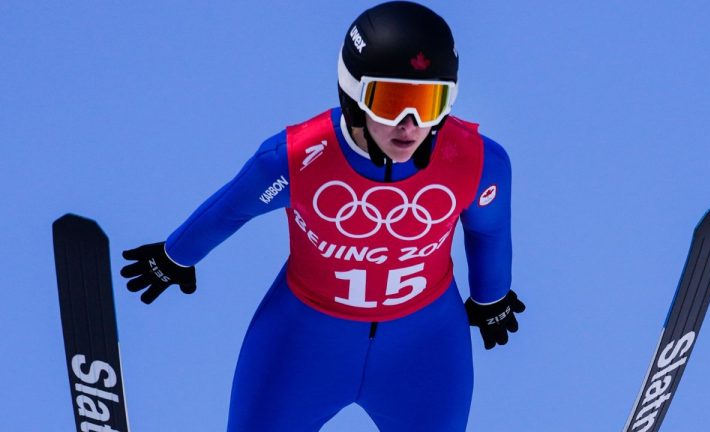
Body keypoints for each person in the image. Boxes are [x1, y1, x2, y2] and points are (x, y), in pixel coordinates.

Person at [120, 1, 525, 431]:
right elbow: (231, 210)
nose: (408, 124)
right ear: (354, 95)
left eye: (428, 103)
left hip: (425, 348)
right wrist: (175, 256)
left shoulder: (476, 161)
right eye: (391, 101)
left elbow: (489, 231)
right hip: (303, 343)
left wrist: (492, 296)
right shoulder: (295, 159)